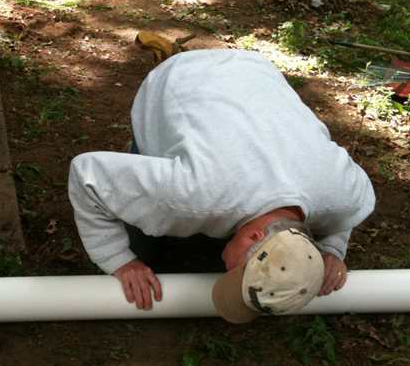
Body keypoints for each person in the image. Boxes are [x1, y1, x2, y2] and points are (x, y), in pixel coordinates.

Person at [68, 49, 375, 322]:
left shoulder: (339, 193)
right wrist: (119, 260)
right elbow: (87, 174)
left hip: (255, 72)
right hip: (182, 76)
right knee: (141, 248)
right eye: (238, 272)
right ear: (255, 234)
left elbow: (347, 210)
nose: (229, 273)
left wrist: (333, 249)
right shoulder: (186, 195)